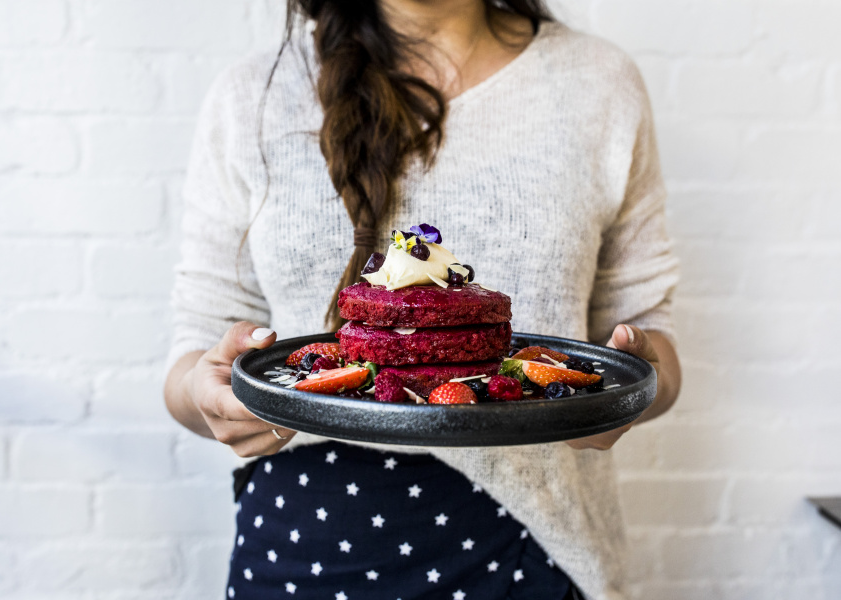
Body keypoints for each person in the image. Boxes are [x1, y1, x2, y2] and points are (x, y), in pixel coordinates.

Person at [163, 0, 682, 598]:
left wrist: (625, 391)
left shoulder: (599, 82)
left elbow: (651, 345)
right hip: (305, 541)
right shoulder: (252, 96)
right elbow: (194, 353)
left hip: (533, 547)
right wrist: (207, 392)